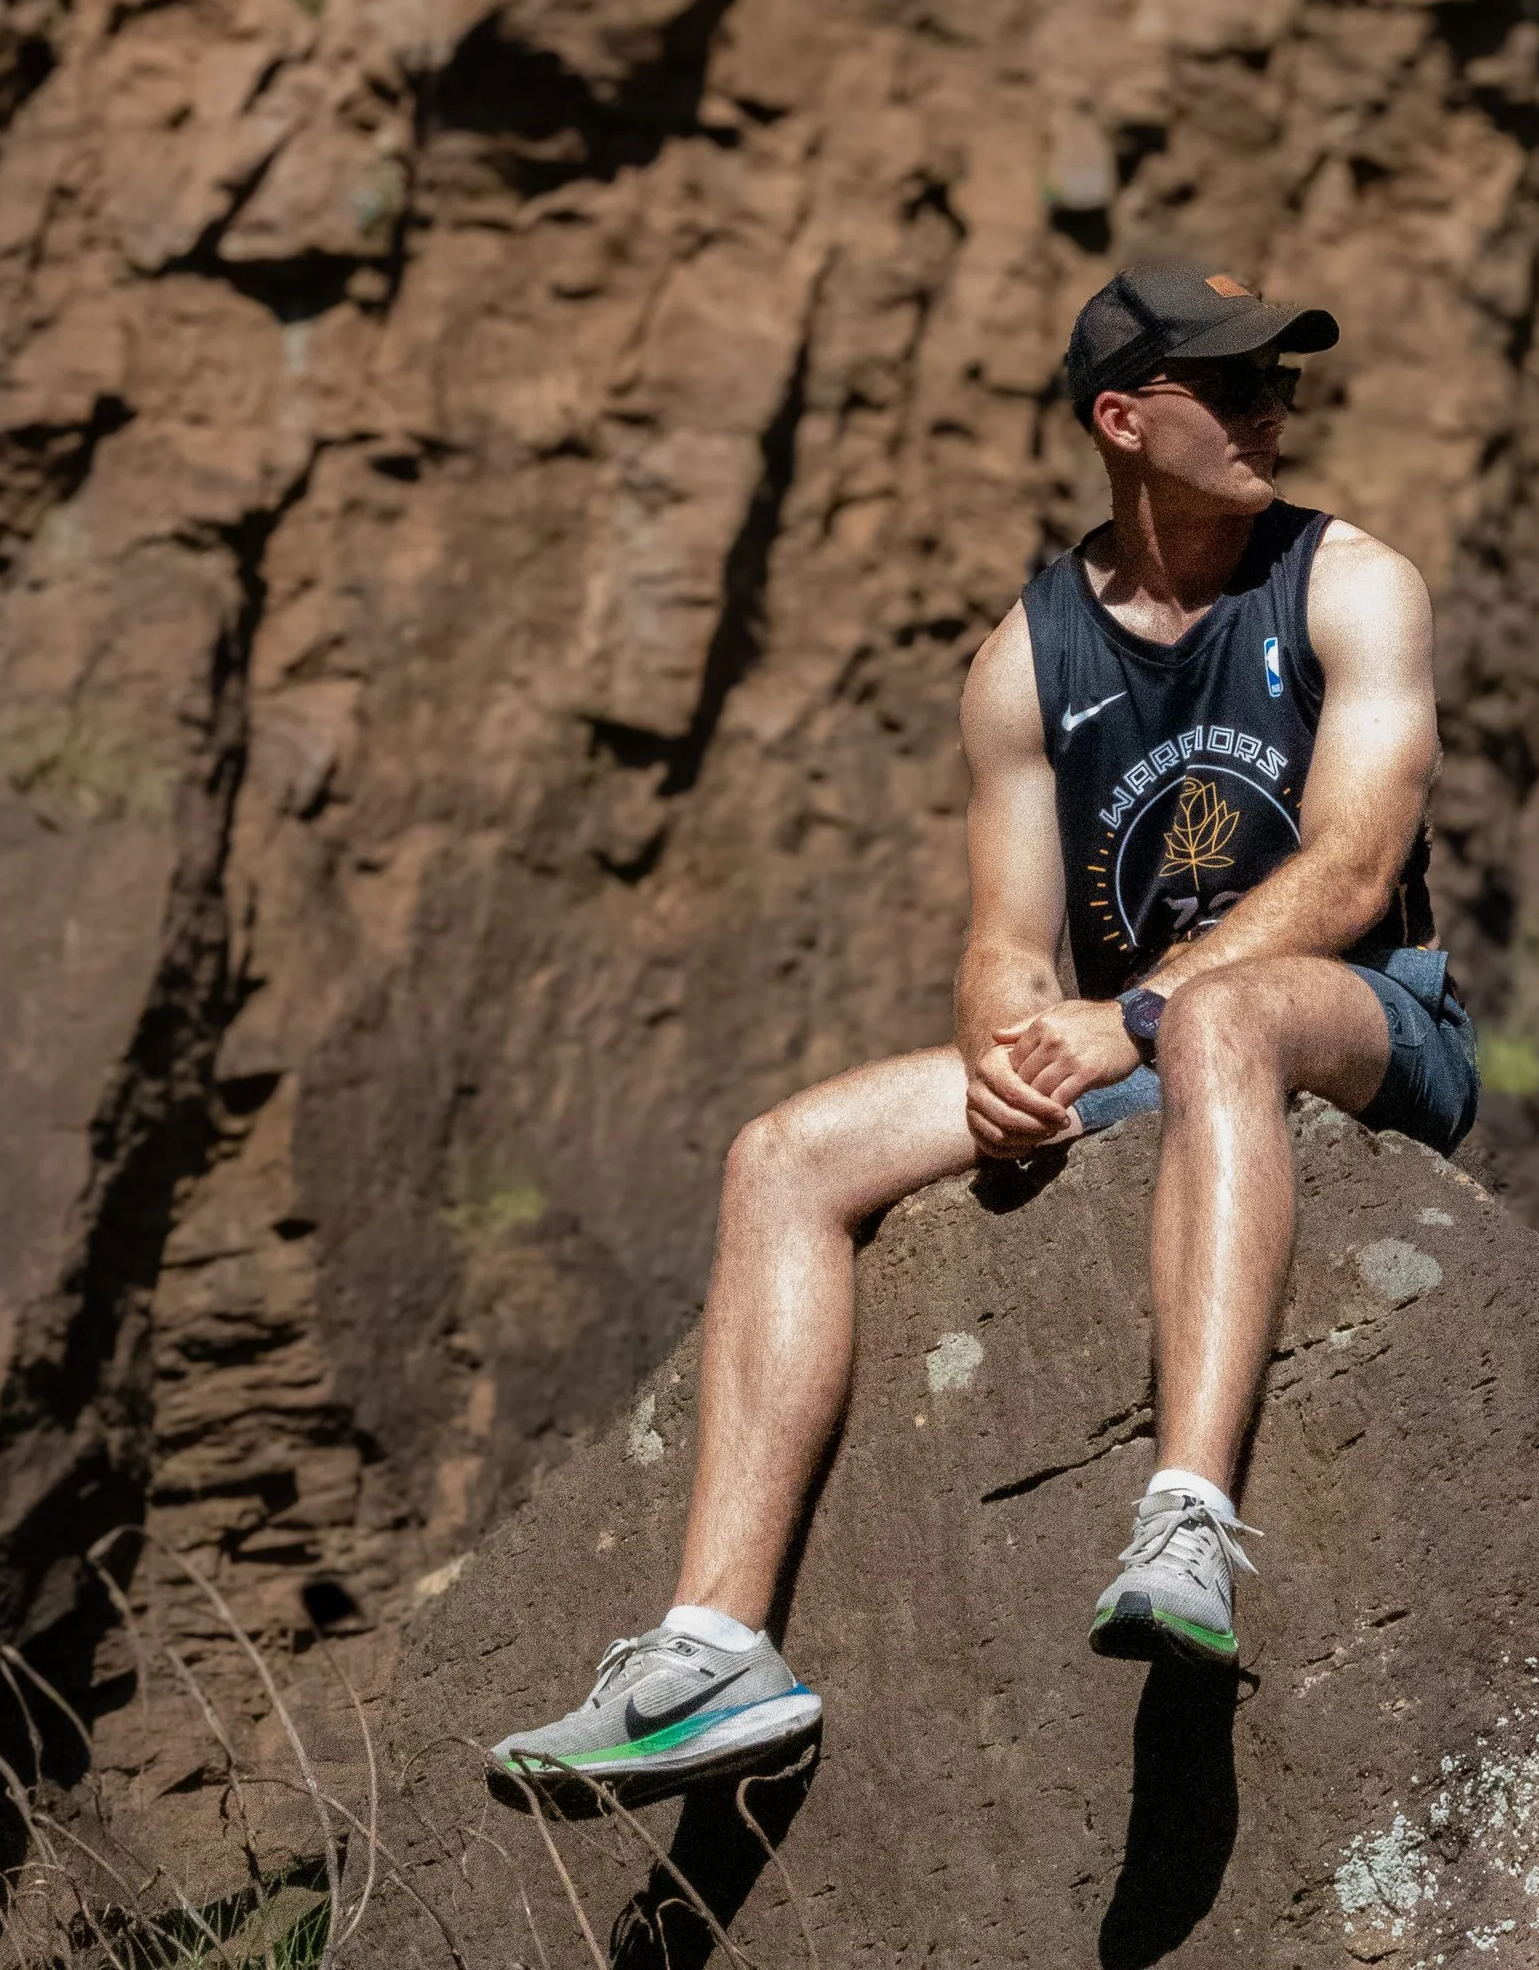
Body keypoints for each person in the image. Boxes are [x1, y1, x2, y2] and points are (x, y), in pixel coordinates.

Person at [489, 263, 1478, 1797]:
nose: (1272, 410)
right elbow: (1008, 947)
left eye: (1282, 381)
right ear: (1124, 418)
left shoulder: (1352, 582)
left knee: (1218, 1018)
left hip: (1362, 1017)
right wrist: (1022, 1062)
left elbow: (1352, 868)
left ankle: (1189, 1524)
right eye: (1232, 387)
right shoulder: (1028, 658)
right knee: (786, 1155)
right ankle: (714, 1650)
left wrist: (1130, 1015)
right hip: (1126, 1038)